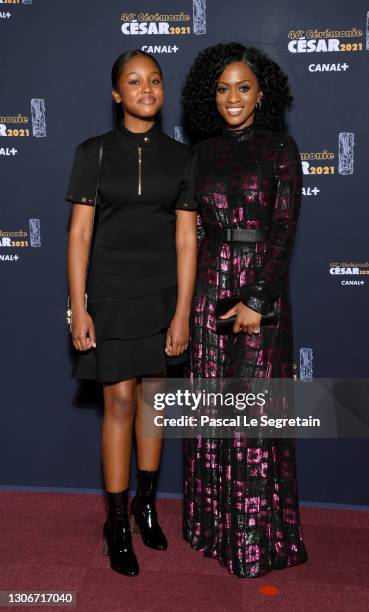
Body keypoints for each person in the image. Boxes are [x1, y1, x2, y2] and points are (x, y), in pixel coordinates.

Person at [65, 49, 197, 577]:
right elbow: (79, 234)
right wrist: (79, 307)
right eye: (134, 82)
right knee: (119, 401)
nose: (146, 89)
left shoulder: (184, 159)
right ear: (117, 93)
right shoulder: (93, 153)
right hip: (110, 292)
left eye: (155, 80)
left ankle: (146, 504)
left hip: (162, 292)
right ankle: (116, 520)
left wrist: (183, 311)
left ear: (163, 91)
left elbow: (187, 239)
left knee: (153, 402)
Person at [182, 42, 308, 578]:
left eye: (244, 87)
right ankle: (211, 529)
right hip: (209, 287)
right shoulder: (200, 153)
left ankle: (256, 542)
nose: (232, 98)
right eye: (222, 88)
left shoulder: (282, 148)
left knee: (254, 418)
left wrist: (257, 299)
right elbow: (191, 234)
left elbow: (283, 231)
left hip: (260, 291)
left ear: (263, 94)